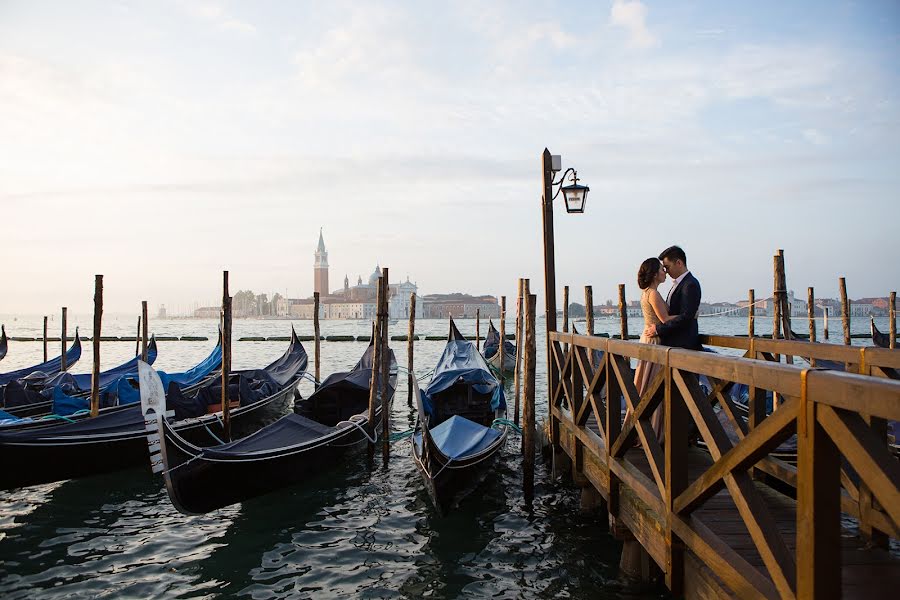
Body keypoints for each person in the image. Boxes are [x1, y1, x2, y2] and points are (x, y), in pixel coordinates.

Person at [644, 245, 702, 350]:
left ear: (679, 263)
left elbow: (686, 317)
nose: (665, 271)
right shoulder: (679, 284)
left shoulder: (690, 284)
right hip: (673, 345)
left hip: (683, 345)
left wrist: (658, 329)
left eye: (667, 267)